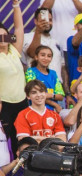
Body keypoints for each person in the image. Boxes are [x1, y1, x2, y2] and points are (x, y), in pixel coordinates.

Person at [0, 0, 28, 150]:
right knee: (6, 140)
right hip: (4, 104)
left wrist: (16, 5)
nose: (3, 39)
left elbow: (19, 28)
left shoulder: (14, 51)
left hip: (22, 103)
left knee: (22, 138)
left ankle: (22, 171)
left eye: (5, 35)